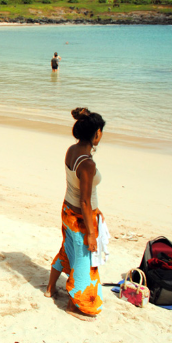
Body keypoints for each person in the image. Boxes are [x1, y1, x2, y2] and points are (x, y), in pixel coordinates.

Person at [45, 107, 107, 321]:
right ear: (96, 133)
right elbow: (85, 201)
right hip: (81, 218)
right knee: (84, 262)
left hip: (67, 210)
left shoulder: (72, 150)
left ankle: (50, 288)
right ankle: (73, 305)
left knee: (66, 249)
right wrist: (91, 233)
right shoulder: (87, 164)